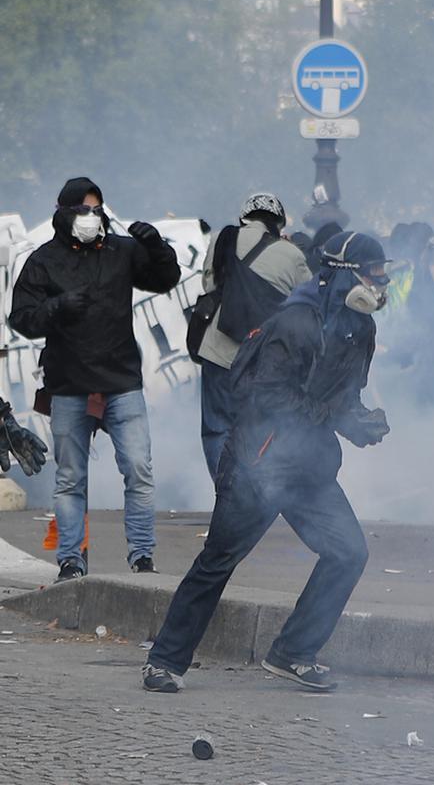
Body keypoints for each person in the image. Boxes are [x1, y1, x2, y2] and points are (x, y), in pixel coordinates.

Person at [142, 231, 391, 694]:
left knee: (348, 552)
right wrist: (334, 416)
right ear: (340, 275)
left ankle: (293, 652)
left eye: (382, 274)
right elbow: (267, 395)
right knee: (218, 561)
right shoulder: (295, 322)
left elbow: (344, 394)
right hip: (260, 466)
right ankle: (164, 661)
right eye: (371, 274)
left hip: (309, 468)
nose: (379, 284)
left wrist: (360, 422)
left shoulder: (362, 329)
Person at [8, 177, 180, 581]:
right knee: (70, 480)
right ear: (64, 212)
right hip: (68, 385)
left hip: (122, 382)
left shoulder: (122, 251)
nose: (91, 217)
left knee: (139, 470)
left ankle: (142, 556)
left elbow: (164, 278)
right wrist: (56, 307)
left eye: (97, 209)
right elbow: (21, 318)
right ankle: (71, 560)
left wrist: (155, 245)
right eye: (83, 209)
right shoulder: (44, 261)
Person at [194, 193, 313, 480]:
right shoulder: (292, 254)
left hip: (219, 350)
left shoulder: (223, 238)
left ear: (245, 217)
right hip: (263, 360)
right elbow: (307, 300)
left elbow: (209, 283)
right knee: (259, 432)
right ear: (278, 224)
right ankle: (256, 496)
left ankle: (225, 495)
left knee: (217, 429)